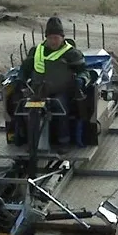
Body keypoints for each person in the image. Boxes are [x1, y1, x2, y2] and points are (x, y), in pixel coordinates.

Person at [16, 16, 90, 145]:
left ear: (62, 37)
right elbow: (25, 69)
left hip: (61, 91)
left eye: (56, 38)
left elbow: (85, 71)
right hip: (38, 92)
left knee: (61, 109)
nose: (53, 41)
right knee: (26, 110)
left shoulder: (72, 53)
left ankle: (64, 143)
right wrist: (20, 79)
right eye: (50, 38)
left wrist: (81, 79)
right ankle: (30, 143)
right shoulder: (36, 51)